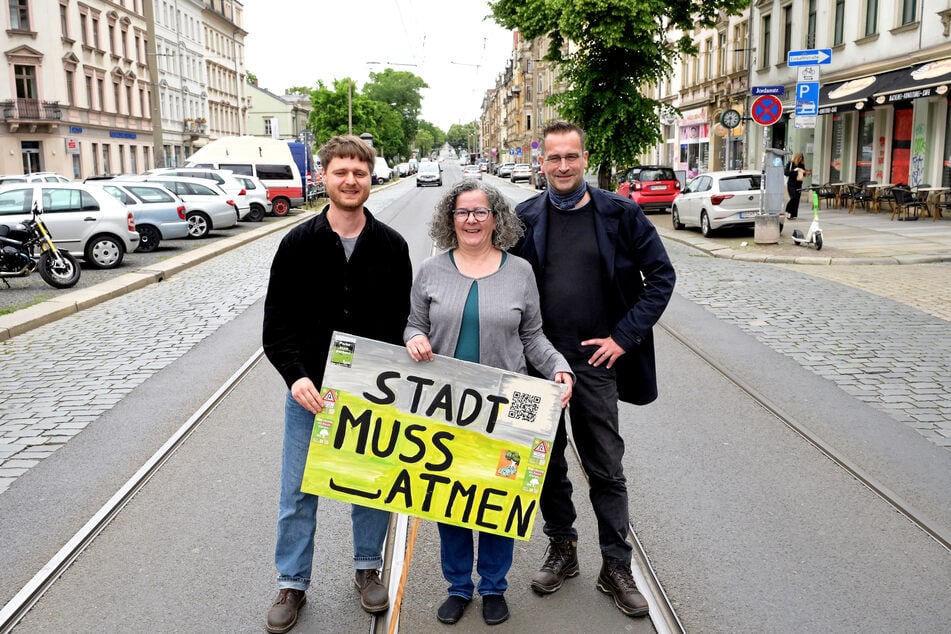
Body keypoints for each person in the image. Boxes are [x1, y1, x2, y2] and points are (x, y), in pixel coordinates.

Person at [510, 121, 676, 618]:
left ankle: (616, 565)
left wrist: (623, 337)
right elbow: (498, 279)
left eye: (571, 156)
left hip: (594, 364)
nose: (562, 166)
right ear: (541, 162)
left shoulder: (620, 214)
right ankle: (563, 546)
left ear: (584, 158)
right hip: (536, 362)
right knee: (545, 462)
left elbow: (661, 277)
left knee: (605, 466)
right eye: (553, 158)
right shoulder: (524, 218)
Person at [404, 180, 574, 627]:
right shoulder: (430, 270)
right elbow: (413, 325)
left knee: (498, 500)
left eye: (481, 212)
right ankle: (459, 587)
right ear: (451, 219)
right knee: (450, 503)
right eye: (463, 212)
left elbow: (532, 336)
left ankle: (494, 587)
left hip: (508, 407)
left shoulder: (520, 272)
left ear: (496, 219)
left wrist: (559, 368)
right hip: (446, 408)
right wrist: (415, 337)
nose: (472, 220)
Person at [262, 135, 412, 633]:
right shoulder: (296, 244)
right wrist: (295, 377)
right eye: (341, 172)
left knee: (369, 485)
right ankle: (292, 583)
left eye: (359, 173)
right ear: (323, 177)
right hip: (310, 393)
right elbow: (276, 327)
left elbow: (402, 322)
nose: (351, 181)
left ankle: (367, 567)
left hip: (370, 392)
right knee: (297, 493)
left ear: (370, 178)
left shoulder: (392, 246)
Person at [785, 151, 808, 220]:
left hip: (798, 184)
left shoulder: (801, 165)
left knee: (797, 200)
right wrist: (794, 170)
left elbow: (804, 174)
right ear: (796, 157)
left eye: (801, 158)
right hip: (791, 184)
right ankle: (788, 211)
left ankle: (794, 214)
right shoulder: (790, 163)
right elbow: (786, 173)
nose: (800, 160)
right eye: (799, 158)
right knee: (793, 198)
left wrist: (804, 172)